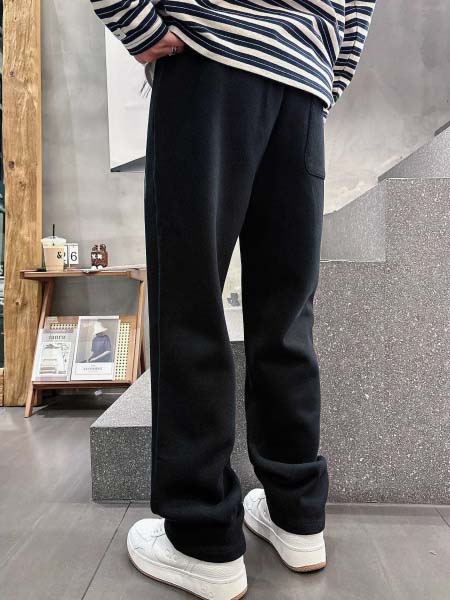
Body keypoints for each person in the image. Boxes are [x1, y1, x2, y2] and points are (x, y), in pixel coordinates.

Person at [90, 1, 377, 598]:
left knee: (189, 304)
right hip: (302, 78)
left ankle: (201, 539)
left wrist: (135, 21)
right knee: (286, 314)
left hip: (210, 57)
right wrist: (324, 69)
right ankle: (297, 513)